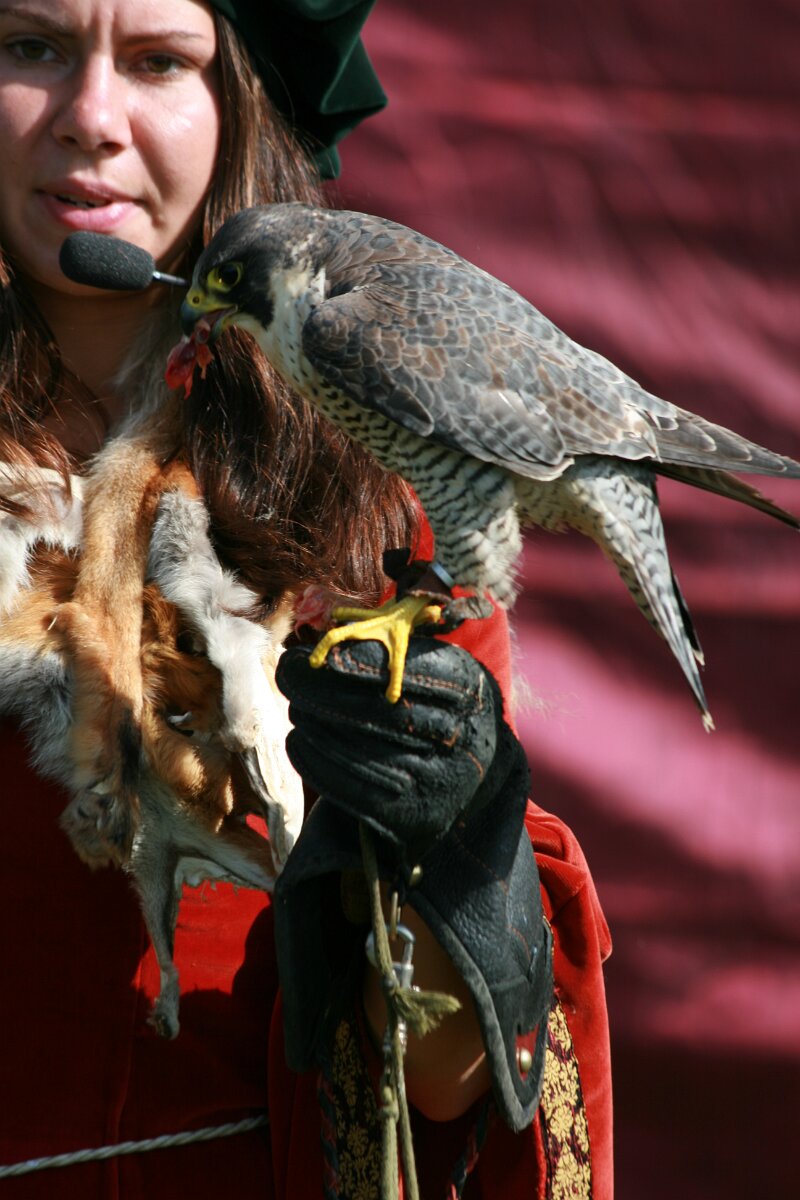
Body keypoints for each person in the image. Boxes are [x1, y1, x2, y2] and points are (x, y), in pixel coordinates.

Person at [0, 2, 612, 1197]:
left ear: (241, 108)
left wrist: (448, 846)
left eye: (160, 60)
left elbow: (442, 1091)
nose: (91, 118)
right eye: (30, 47)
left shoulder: (376, 524)